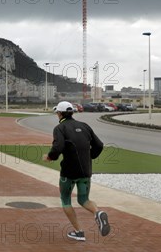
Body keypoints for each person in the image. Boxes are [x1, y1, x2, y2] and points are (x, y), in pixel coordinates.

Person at [43, 101, 110, 241]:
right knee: (84, 199)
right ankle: (98, 212)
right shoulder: (84, 126)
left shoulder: (60, 128)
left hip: (68, 172)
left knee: (66, 201)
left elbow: (58, 147)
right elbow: (99, 145)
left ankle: (79, 232)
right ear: (72, 112)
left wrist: (50, 157)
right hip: (85, 171)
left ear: (59, 113)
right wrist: (90, 157)